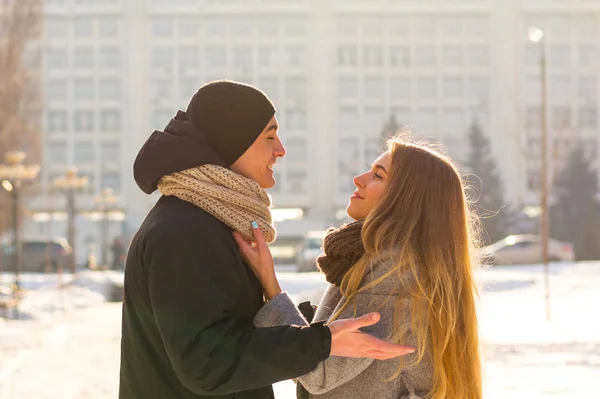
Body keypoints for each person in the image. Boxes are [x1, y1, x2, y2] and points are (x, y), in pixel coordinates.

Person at [119, 80, 414, 399]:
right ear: (232, 142)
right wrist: (320, 342)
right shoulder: (185, 231)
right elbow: (206, 363)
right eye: (269, 136)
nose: (281, 149)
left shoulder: (210, 221)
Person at [234, 134, 483, 399]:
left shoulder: (395, 274)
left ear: (405, 198)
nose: (359, 179)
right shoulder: (384, 262)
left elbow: (320, 372)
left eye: (378, 175)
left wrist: (268, 281)